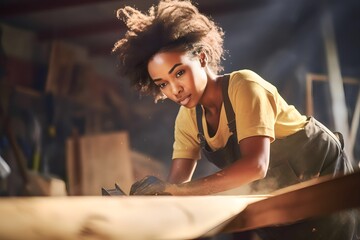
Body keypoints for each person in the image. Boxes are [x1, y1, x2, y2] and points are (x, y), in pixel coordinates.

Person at [113, 0, 358, 239]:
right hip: (279, 193)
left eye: (179, 73)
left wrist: (175, 191)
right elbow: (177, 186)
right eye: (163, 84)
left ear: (201, 58)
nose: (174, 89)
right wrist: (150, 201)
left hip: (322, 176)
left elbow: (256, 166)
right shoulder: (187, 118)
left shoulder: (244, 86)